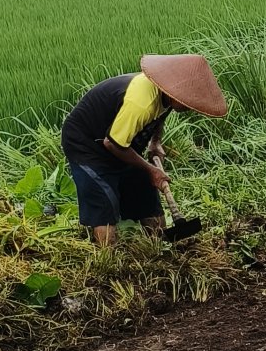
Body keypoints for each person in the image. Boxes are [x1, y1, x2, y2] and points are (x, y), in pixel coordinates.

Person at [60, 53, 228, 247]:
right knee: (104, 202)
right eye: (188, 101)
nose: (190, 106)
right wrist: (151, 169)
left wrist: (155, 142)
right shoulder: (141, 103)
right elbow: (112, 144)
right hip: (88, 144)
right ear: (174, 93)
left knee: (145, 193)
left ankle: (158, 246)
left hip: (122, 142)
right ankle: (109, 260)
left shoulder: (166, 96)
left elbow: (160, 116)